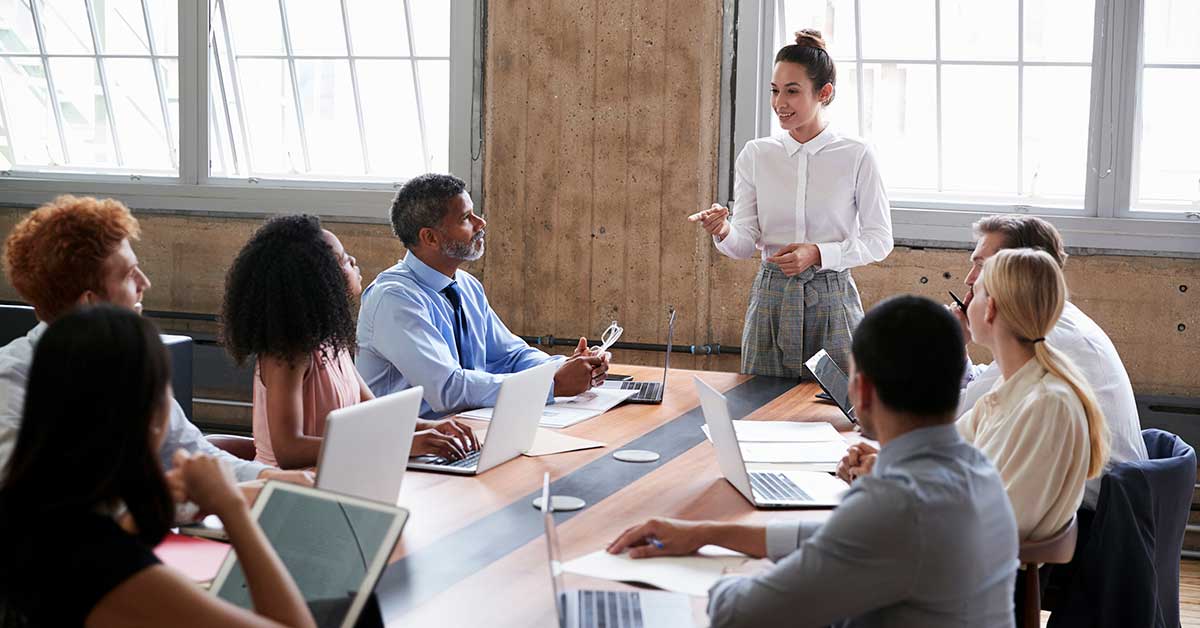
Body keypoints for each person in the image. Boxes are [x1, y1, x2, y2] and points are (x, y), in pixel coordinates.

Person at [607, 296, 1018, 628]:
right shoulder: (977, 469)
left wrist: (720, 574)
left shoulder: (897, 504)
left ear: (862, 390)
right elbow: (838, 540)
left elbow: (742, 614)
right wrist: (708, 534)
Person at [0, 305, 315, 627]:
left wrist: (147, 510)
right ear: (149, 418)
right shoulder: (108, 567)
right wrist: (230, 507)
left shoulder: (37, 523)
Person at [839, 215, 1143, 510]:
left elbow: (948, 425)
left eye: (982, 271)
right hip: (1054, 508)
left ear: (1011, 281)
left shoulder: (1048, 351)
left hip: (1089, 518)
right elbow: (956, 438)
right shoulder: (1040, 337)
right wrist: (892, 467)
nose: (969, 282)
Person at [0, 195, 306, 487]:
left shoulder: (127, 364)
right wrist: (207, 498)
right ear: (90, 304)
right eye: (130, 275)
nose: (145, 283)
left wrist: (277, 480)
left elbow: (195, 454)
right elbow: (43, 498)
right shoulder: (11, 382)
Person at [689, 29, 892, 377]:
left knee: (838, 412)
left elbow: (879, 240)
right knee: (759, 408)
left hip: (833, 299)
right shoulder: (757, 155)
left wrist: (817, 253)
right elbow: (743, 245)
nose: (780, 102)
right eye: (775, 90)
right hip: (771, 299)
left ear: (824, 93)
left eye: (792, 91)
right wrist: (722, 229)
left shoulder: (856, 155)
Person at [220, 214, 479, 469]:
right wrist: (404, 443)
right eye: (343, 260)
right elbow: (290, 451)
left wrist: (430, 427)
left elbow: (375, 412)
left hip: (338, 475)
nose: (353, 261)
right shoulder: (287, 354)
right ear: (320, 281)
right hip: (291, 488)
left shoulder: (332, 341)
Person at [357, 173, 609, 418]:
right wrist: (552, 384)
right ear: (430, 237)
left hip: (466, 430)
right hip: (411, 446)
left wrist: (568, 366)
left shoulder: (465, 284)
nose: (481, 223)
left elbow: (511, 356)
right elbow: (448, 388)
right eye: (466, 218)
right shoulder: (395, 299)